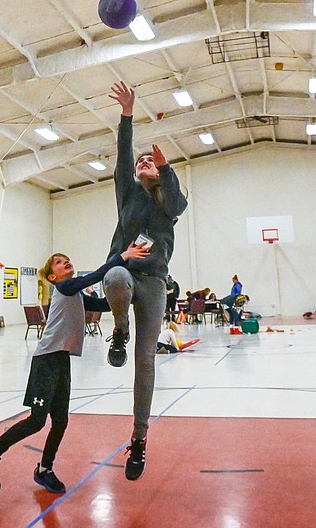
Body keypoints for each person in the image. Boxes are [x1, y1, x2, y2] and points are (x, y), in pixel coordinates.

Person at [0, 242, 149, 495]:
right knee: (36, 420)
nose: (66, 261)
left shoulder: (76, 294)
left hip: (61, 359)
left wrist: (130, 292)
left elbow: (104, 304)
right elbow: (97, 275)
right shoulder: (64, 288)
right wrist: (123, 256)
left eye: (67, 258)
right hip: (46, 360)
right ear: (53, 276)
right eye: (59, 261)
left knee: (61, 421)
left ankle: (44, 470)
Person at [101, 81, 189, 481]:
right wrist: (127, 115)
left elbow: (177, 203)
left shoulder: (166, 203)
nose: (140, 163)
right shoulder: (127, 194)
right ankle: (118, 329)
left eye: (147, 163)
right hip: (125, 274)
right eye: (139, 163)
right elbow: (123, 156)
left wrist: (166, 169)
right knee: (116, 274)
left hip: (154, 281)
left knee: (146, 361)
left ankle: (139, 439)